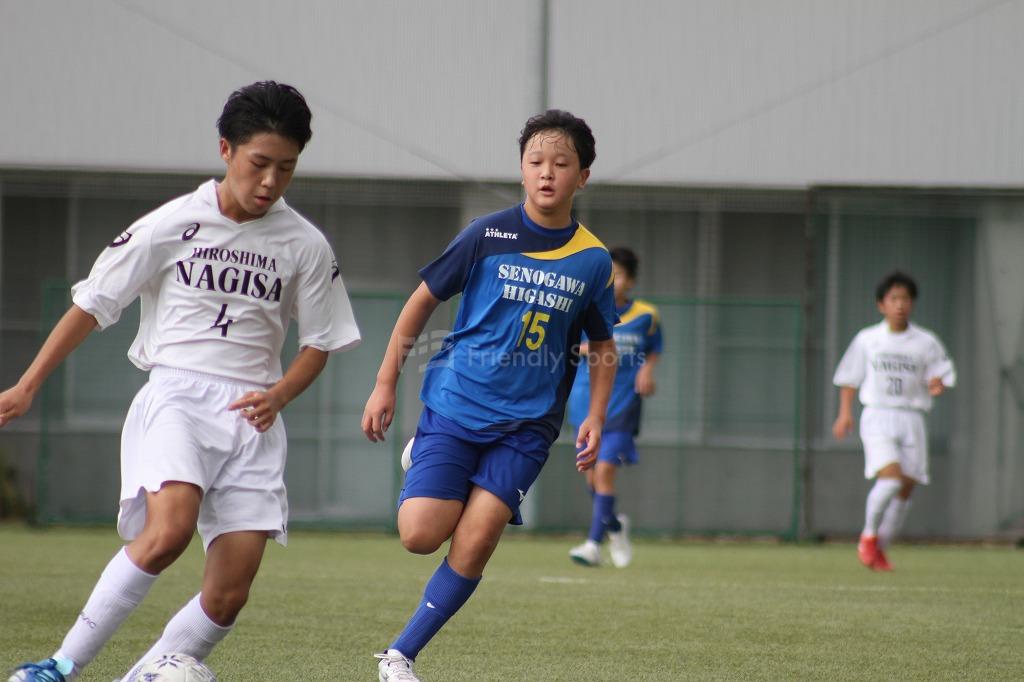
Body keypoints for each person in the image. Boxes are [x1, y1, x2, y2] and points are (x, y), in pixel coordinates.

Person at [3, 81, 360, 681]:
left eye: (287, 168)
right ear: (226, 150)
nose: (271, 181)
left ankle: (141, 675)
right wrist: (28, 384)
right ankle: (57, 667)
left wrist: (280, 394)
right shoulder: (172, 223)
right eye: (259, 164)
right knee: (167, 533)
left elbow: (319, 343)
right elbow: (93, 305)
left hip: (254, 418)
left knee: (228, 595)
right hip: (179, 398)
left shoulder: (305, 244)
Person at [361, 109, 617, 681]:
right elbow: (422, 300)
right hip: (456, 404)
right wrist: (385, 382)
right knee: (420, 536)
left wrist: (594, 415)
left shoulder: (594, 260)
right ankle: (426, 457)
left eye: (561, 163)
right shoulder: (486, 234)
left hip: (528, 427)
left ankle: (400, 656)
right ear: (521, 171)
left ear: (584, 176)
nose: (547, 173)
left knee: (475, 543)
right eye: (535, 162)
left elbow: (603, 347)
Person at [832, 271, 955, 571]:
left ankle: (880, 547)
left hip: (912, 418)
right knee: (889, 479)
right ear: (881, 305)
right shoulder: (868, 339)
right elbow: (849, 378)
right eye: (894, 298)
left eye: (906, 299)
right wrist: (845, 413)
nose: (900, 304)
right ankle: (868, 537)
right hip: (878, 414)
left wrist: (938, 385)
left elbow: (940, 375)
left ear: (912, 304)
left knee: (906, 487)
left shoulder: (926, 342)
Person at [566, 246, 662, 568]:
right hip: (584, 403)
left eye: (617, 275)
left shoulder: (646, 314)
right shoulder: (582, 309)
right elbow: (566, 346)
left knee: (605, 472)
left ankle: (593, 545)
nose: (611, 281)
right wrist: (583, 348)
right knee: (592, 480)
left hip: (622, 407)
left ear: (631, 281)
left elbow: (655, 347)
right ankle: (616, 528)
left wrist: (648, 369)